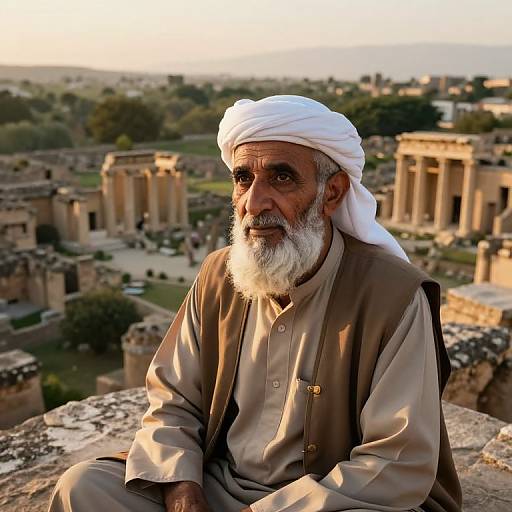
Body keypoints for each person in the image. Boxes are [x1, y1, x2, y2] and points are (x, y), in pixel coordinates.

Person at [49, 95, 462, 512]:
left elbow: (395, 461)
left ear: (331, 193)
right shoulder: (218, 275)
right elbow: (174, 401)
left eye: (281, 178)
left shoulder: (393, 296)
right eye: (243, 178)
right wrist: (181, 490)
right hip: (218, 486)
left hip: (327, 500)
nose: (254, 202)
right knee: (84, 487)